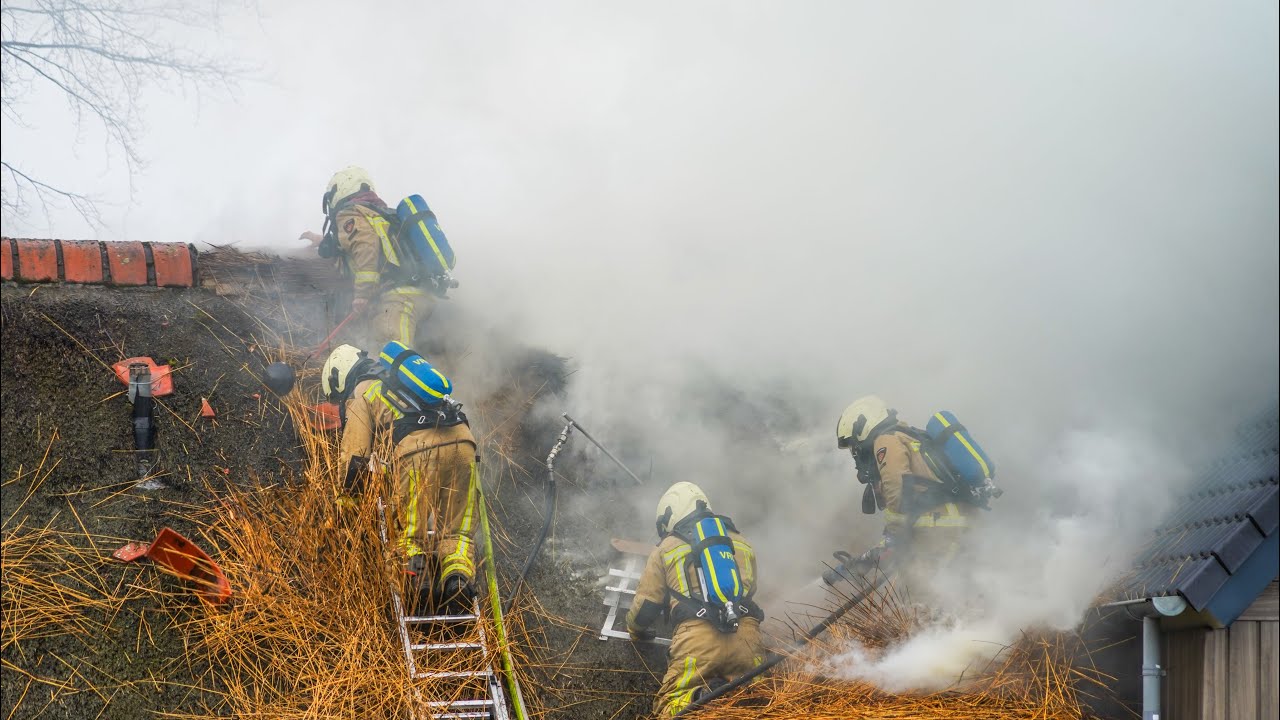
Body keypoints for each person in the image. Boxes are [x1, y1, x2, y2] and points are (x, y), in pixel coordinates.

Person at [322, 343, 478, 611]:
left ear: (342, 378)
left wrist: (348, 503)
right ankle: (458, 582)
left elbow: (355, 457)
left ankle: (419, 585)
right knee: (457, 532)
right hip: (464, 444)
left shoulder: (361, 392)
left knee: (408, 534)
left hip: (418, 454)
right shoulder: (397, 381)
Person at [627, 482, 766, 718]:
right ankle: (737, 694)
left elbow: (647, 606)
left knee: (669, 707)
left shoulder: (667, 547)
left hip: (696, 642)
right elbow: (749, 593)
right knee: (759, 703)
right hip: (746, 640)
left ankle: (701, 698)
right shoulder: (743, 543)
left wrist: (635, 630)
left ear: (671, 513)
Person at [834, 395, 975, 601]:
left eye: (854, 445)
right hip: (951, 522)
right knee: (941, 586)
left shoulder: (886, 440)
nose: (855, 452)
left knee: (923, 593)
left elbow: (897, 488)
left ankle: (953, 629)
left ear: (863, 428)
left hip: (941, 526)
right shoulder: (908, 436)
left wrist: (892, 536)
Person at [301, 167, 436, 348]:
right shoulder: (380, 214)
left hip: (398, 299)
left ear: (339, 190)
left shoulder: (349, 213)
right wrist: (324, 240)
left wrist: (362, 294)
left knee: (392, 359)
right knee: (415, 361)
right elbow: (357, 241)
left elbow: (365, 245)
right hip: (422, 295)